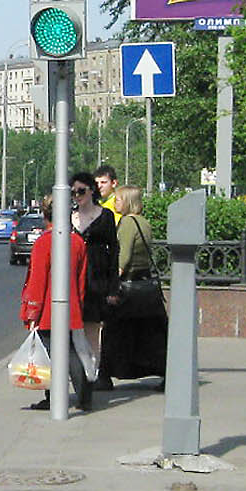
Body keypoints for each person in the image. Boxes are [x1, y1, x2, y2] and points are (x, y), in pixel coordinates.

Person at [18, 194, 94, 411]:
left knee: (51, 356)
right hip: (72, 309)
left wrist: (31, 312)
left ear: (45, 215)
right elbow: (81, 281)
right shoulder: (78, 242)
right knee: (73, 352)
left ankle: (53, 398)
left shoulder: (43, 243)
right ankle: (84, 396)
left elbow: (37, 281)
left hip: (48, 312)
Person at [100, 184, 168, 385]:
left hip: (128, 287)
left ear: (128, 201)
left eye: (118, 199)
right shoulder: (144, 222)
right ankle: (166, 373)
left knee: (113, 332)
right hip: (144, 286)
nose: (115, 203)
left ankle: (104, 377)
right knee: (150, 334)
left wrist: (112, 283)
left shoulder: (128, 222)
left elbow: (124, 256)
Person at [70, 170, 118, 390]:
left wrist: (113, 288)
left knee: (92, 329)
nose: (77, 196)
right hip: (73, 278)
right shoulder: (68, 217)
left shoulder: (105, 216)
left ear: (92, 191)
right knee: (72, 328)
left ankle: (92, 374)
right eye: (74, 192)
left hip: (97, 278)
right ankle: (78, 375)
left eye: (81, 191)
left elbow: (114, 251)